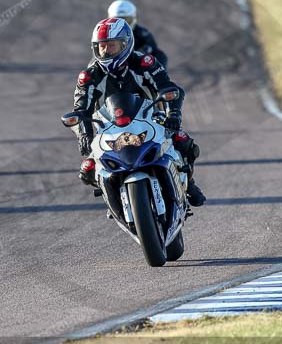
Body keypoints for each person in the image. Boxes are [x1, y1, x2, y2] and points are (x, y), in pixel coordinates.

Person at [72, 17, 205, 207]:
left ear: (125, 44)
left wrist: (173, 114)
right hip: (109, 129)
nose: (106, 51)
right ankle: (114, 197)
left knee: (183, 142)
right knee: (87, 170)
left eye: (112, 46)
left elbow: (171, 89)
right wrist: (84, 134)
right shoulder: (89, 76)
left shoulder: (144, 63)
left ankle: (189, 185)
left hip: (150, 118)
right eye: (102, 46)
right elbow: (80, 109)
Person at [107, 0, 168, 68]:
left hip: (137, 68)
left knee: (160, 55)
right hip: (113, 68)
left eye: (127, 21)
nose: (123, 25)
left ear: (133, 19)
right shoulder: (104, 34)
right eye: (117, 21)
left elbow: (154, 50)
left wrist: (142, 53)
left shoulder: (143, 34)